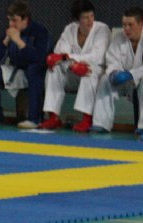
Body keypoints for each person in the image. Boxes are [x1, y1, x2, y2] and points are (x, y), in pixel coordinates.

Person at [88, 6, 143, 134]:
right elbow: (112, 60)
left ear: (140, 24)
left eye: (130, 25)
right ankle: (101, 123)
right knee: (105, 79)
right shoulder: (119, 37)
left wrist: (130, 74)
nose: (126, 28)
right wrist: (114, 72)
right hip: (125, 80)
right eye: (124, 24)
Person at [38, 0, 110, 132]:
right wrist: (72, 65)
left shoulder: (102, 29)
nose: (90, 21)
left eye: (91, 16)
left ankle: (87, 119)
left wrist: (68, 58)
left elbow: (97, 56)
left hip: (95, 73)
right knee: (54, 69)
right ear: (77, 20)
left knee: (89, 71)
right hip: (73, 72)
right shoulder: (69, 29)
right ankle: (53, 117)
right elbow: (59, 52)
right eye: (85, 18)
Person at [0, 0, 50, 129]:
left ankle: (34, 119)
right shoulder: (10, 32)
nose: (11, 24)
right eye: (9, 20)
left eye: (15, 20)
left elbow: (39, 59)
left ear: (25, 19)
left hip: (38, 71)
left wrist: (19, 41)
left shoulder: (40, 31)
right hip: (17, 69)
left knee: (34, 69)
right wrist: (6, 41)